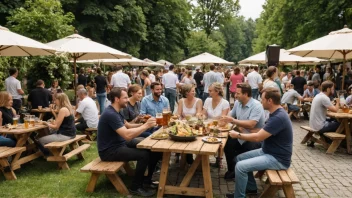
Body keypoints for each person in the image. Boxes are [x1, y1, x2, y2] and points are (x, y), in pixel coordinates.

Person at [225, 87, 293, 198]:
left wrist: (237, 134)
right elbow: (262, 132)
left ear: (269, 101)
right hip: (268, 151)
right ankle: (251, 188)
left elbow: (258, 138)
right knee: (239, 159)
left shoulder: (278, 117)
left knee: (240, 167)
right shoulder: (276, 113)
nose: (261, 102)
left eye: (262, 99)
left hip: (278, 158)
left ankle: (239, 196)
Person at [97, 88, 161, 197]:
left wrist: (146, 124)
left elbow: (128, 126)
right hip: (109, 151)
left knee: (152, 148)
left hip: (120, 144)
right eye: (125, 97)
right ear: (117, 99)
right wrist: (146, 126)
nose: (127, 100)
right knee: (144, 155)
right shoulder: (110, 114)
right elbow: (127, 135)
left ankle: (147, 180)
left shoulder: (117, 111)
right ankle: (135, 187)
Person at [220, 83, 265, 181]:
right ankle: (233, 171)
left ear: (246, 94)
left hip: (255, 138)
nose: (235, 95)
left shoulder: (256, 105)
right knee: (227, 144)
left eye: (238, 93)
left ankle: (244, 176)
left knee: (244, 151)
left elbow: (251, 124)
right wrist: (224, 119)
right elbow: (231, 116)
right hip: (241, 134)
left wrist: (234, 121)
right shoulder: (237, 103)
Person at [308, 81, 340, 147]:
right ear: (328, 89)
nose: (333, 90)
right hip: (319, 126)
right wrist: (338, 102)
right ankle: (336, 143)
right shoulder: (324, 98)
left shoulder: (318, 95)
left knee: (333, 120)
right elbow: (335, 110)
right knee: (340, 124)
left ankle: (328, 140)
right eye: (333, 89)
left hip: (313, 124)